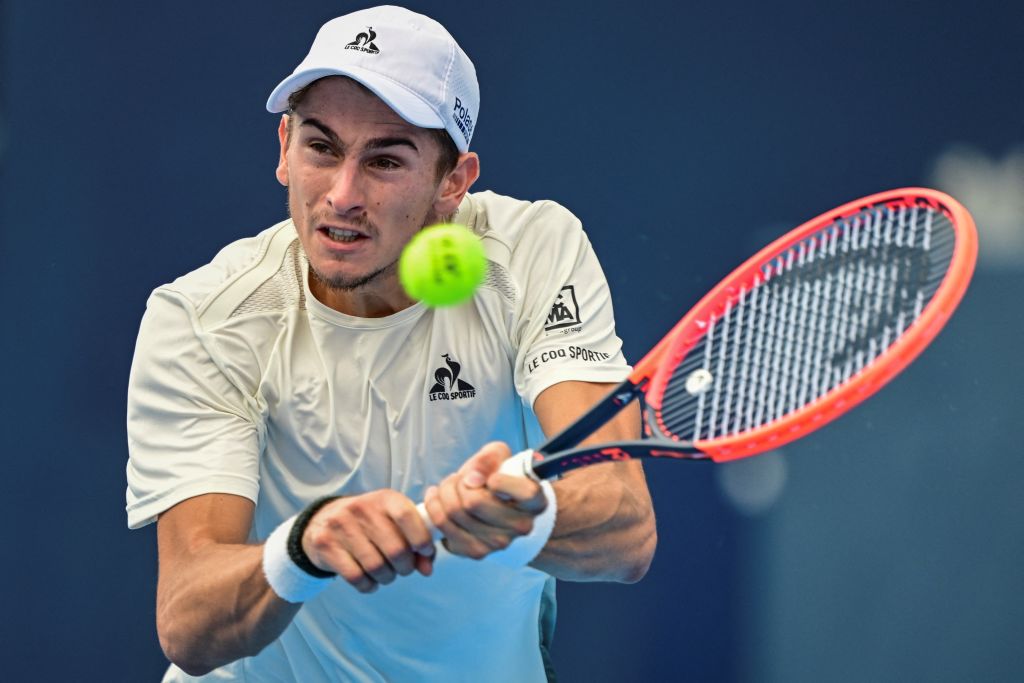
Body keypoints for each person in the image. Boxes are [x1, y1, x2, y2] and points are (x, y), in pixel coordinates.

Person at [126, 6, 656, 681]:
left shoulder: (531, 253)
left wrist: (521, 514)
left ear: (453, 183)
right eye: (321, 148)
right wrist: (302, 549)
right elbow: (188, 621)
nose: (342, 195)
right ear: (284, 146)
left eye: (383, 160)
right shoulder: (206, 317)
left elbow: (626, 527)